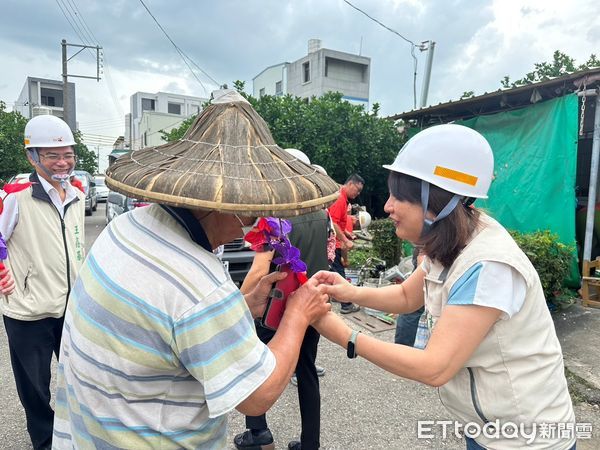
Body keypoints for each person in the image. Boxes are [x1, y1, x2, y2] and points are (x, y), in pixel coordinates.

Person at [52, 90, 338, 449]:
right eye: (249, 210)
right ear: (216, 202)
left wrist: (241, 304)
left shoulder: (126, 227)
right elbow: (256, 395)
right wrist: (297, 315)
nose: (251, 225)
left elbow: (167, 325)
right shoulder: (198, 284)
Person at [313, 124, 576, 449]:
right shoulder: (451, 239)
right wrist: (347, 291)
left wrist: (342, 333)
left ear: (436, 200)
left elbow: (434, 367)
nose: (387, 207)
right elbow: (409, 295)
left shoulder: (489, 266)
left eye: (400, 196)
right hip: (485, 429)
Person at [234, 149, 329, 450]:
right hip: (313, 303)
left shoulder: (274, 216)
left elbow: (260, 270)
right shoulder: (322, 211)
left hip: (276, 309)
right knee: (307, 371)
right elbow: (328, 254)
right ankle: (310, 443)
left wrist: (235, 305)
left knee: (255, 363)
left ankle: (259, 433)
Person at [0, 115, 85, 450]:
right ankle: (46, 441)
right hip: (28, 310)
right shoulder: (15, 197)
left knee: (79, 377)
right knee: (35, 387)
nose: (62, 162)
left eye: (67, 154)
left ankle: (76, 432)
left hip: (72, 309)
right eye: (52, 155)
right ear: (32, 157)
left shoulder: (77, 194)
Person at [328, 173, 364, 313]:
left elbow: (338, 224)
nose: (358, 193)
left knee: (333, 272)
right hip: (334, 244)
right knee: (339, 274)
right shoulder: (340, 199)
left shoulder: (343, 199)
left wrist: (347, 233)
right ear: (350, 184)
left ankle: (336, 296)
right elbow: (333, 222)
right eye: (357, 189)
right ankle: (347, 305)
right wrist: (344, 240)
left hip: (336, 241)